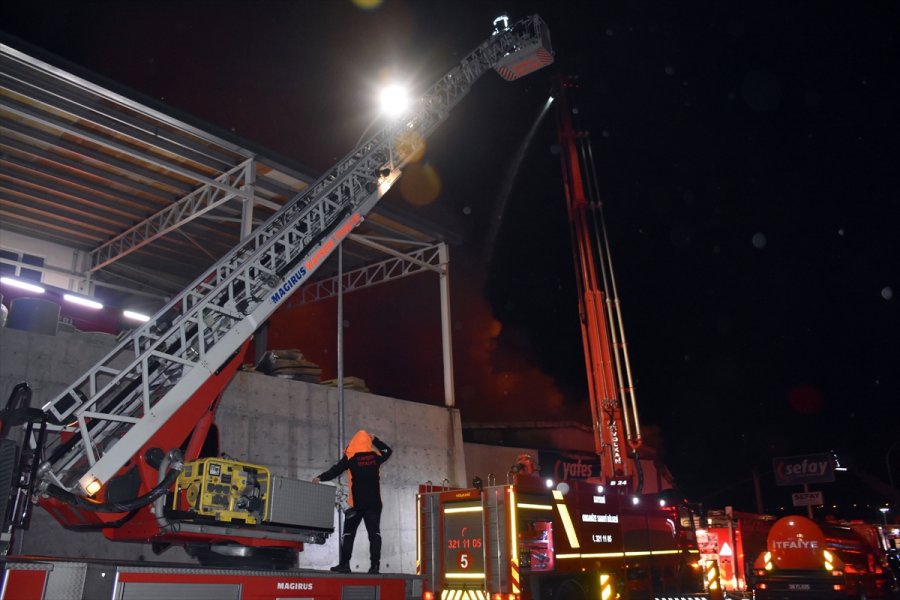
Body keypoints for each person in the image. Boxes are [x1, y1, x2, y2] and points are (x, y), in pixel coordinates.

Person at [313, 430, 392, 574]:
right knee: (374, 534)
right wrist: (375, 440)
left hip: (356, 504)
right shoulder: (375, 457)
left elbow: (335, 471)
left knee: (349, 534)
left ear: (354, 442)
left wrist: (320, 477)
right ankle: (375, 566)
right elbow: (388, 450)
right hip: (374, 504)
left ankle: (345, 565)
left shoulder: (351, 457)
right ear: (367, 442)